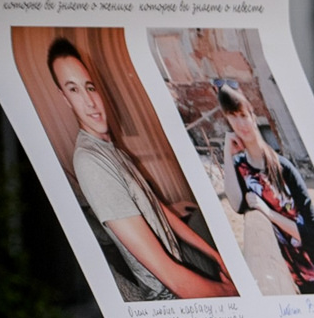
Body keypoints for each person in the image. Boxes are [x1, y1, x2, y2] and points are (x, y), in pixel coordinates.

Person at [49, 37, 233, 301]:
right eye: (74, 90)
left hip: (181, 264)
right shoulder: (90, 162)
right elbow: (172, 279)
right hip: (172, 298)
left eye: (90, 87)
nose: (89, 102)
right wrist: (232, 292)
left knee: (211, 221)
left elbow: (161, 210)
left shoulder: (113, 152)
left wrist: (216, 256)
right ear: (64, 98)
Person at [216, 83, 314, 293]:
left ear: (252, 114)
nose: (240, 123)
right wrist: (226, 154)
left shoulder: (284, 168)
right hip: (301, 286)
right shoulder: (240, 167)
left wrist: (269, 213)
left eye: (243, 115)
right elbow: (237, 204)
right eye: (233, 116)